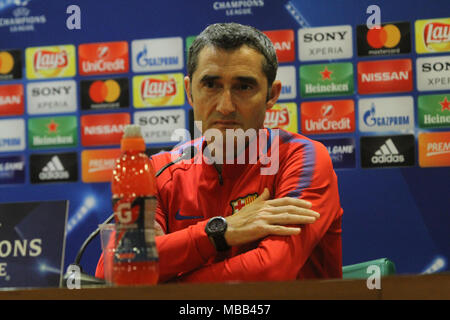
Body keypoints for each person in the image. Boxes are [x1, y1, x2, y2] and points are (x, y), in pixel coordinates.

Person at [95, 22, 343, 282]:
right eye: (211, 85)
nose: (225, 106)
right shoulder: (160, 169)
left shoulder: (302, 158)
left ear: (272, 94)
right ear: (190, 92)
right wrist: (220, 231)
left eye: (244, 87)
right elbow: (117, 268)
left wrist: (165, 283)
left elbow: (271, 270)